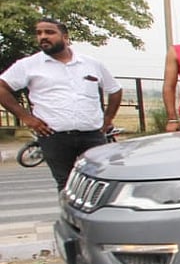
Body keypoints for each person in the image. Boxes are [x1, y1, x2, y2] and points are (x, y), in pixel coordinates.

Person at [0, 17, 122, 191]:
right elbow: (2, 88)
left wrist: (108, 118)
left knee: (100, 183)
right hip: (55, 137)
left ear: (65, 37)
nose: (43, 37)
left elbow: (115, 90)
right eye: (39, 33)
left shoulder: (91, 64)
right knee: (66, 184)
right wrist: (27, 118)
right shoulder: (28, 65)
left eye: (49, 32)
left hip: (92, 135)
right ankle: (72, 218)